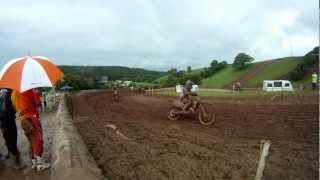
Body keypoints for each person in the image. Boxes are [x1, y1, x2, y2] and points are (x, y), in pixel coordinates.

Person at [11, 89, 50, 171]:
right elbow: (38, 103)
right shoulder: (29, 90)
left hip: (23, 120)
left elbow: (14, 107)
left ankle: (34, 162)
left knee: (30, 141)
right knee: (37, 139)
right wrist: (36, 94)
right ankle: (40, 163)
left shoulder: (13, 93)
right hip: (32, 117)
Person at [0, 89, 23, 169]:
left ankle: (15, 158)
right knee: (11, 140)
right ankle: (16, 162)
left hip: (5, 121)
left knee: (9, 139)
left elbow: (12, 108)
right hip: (7, 121)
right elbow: (13, 109)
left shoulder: (8, 93)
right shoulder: (9, 93)